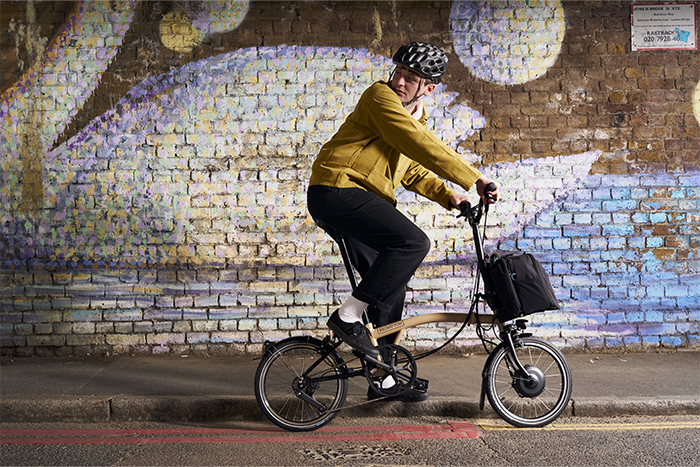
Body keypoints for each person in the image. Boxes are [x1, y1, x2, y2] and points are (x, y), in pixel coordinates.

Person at [307, 42, 499, 401]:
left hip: (356, 199)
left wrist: (449, 196)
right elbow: (415, 142)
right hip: (337, 189)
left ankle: (384, 378)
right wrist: (474, 178)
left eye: (411, 78)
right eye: (398, 72)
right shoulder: (379, 97)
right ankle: (347, 317)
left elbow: (410, 169)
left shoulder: (414, 119)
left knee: (390, 287)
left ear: (429, 87)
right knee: (413, 243)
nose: (399, 81)